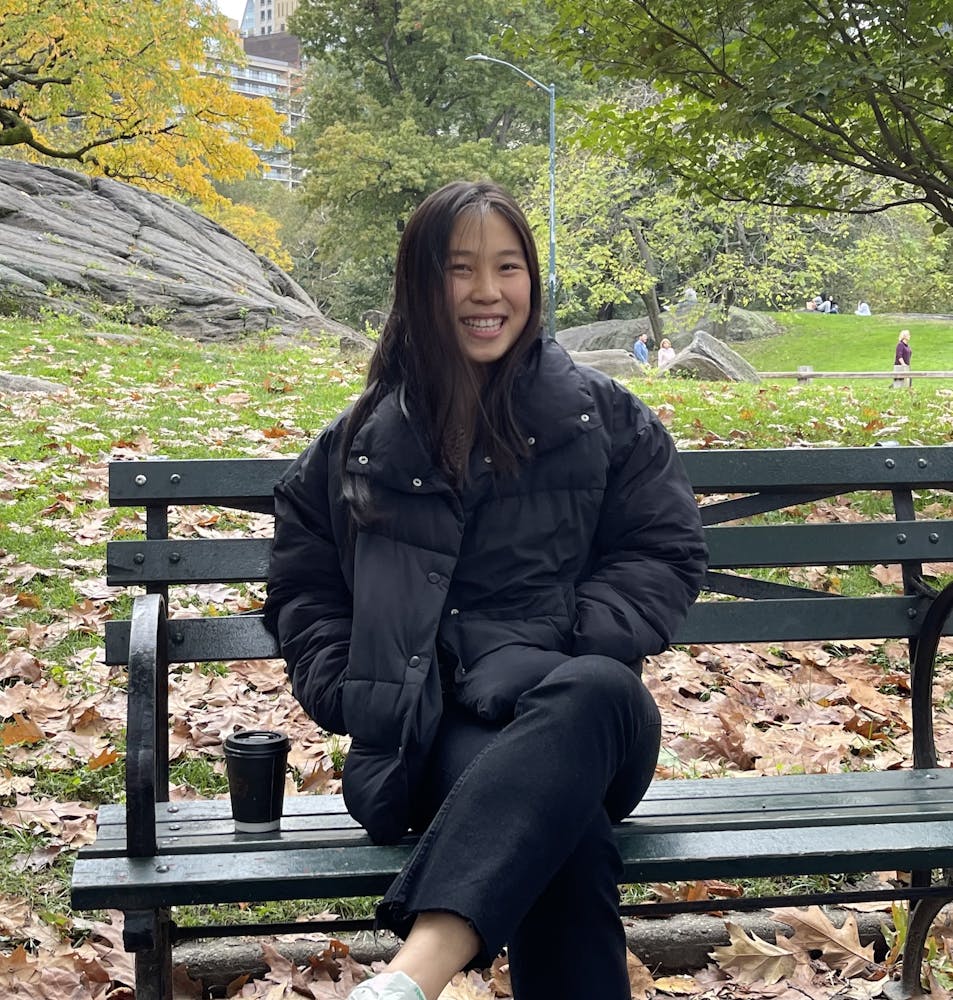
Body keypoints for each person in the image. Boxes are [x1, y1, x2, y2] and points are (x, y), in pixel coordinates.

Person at [263, 180, 707, 1000]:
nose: (485, 292)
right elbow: (304, 592)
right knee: (563, 834)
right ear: (418, 284)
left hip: (586, 717)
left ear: (531, 282)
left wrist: (556, 644)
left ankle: (407, 978)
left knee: (598, 689)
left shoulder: (603, 420)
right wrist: (365, 692)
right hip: (430, 739)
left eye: (507, 267)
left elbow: (664, 554)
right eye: (459, 268)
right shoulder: (357, 446)